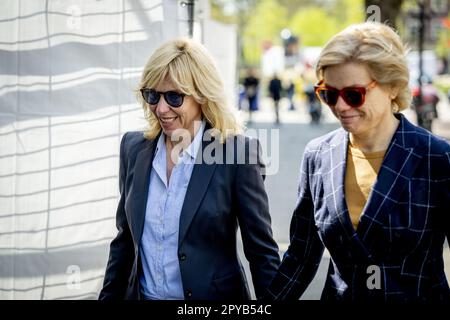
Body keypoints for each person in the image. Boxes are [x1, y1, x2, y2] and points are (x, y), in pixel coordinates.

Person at [265, 22, 450, 301]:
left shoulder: (436, 157)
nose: (339, 106)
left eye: (353, 94)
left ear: (393, 87)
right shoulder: (318, 155)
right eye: (328, 94)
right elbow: (301, 257)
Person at [99, 38, 280, 300]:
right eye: (152, 95)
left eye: (174, 96)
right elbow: (124, 241)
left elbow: (262, 253)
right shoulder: (132, 148)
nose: (161, 108)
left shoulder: (237, 154)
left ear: (202, 95)